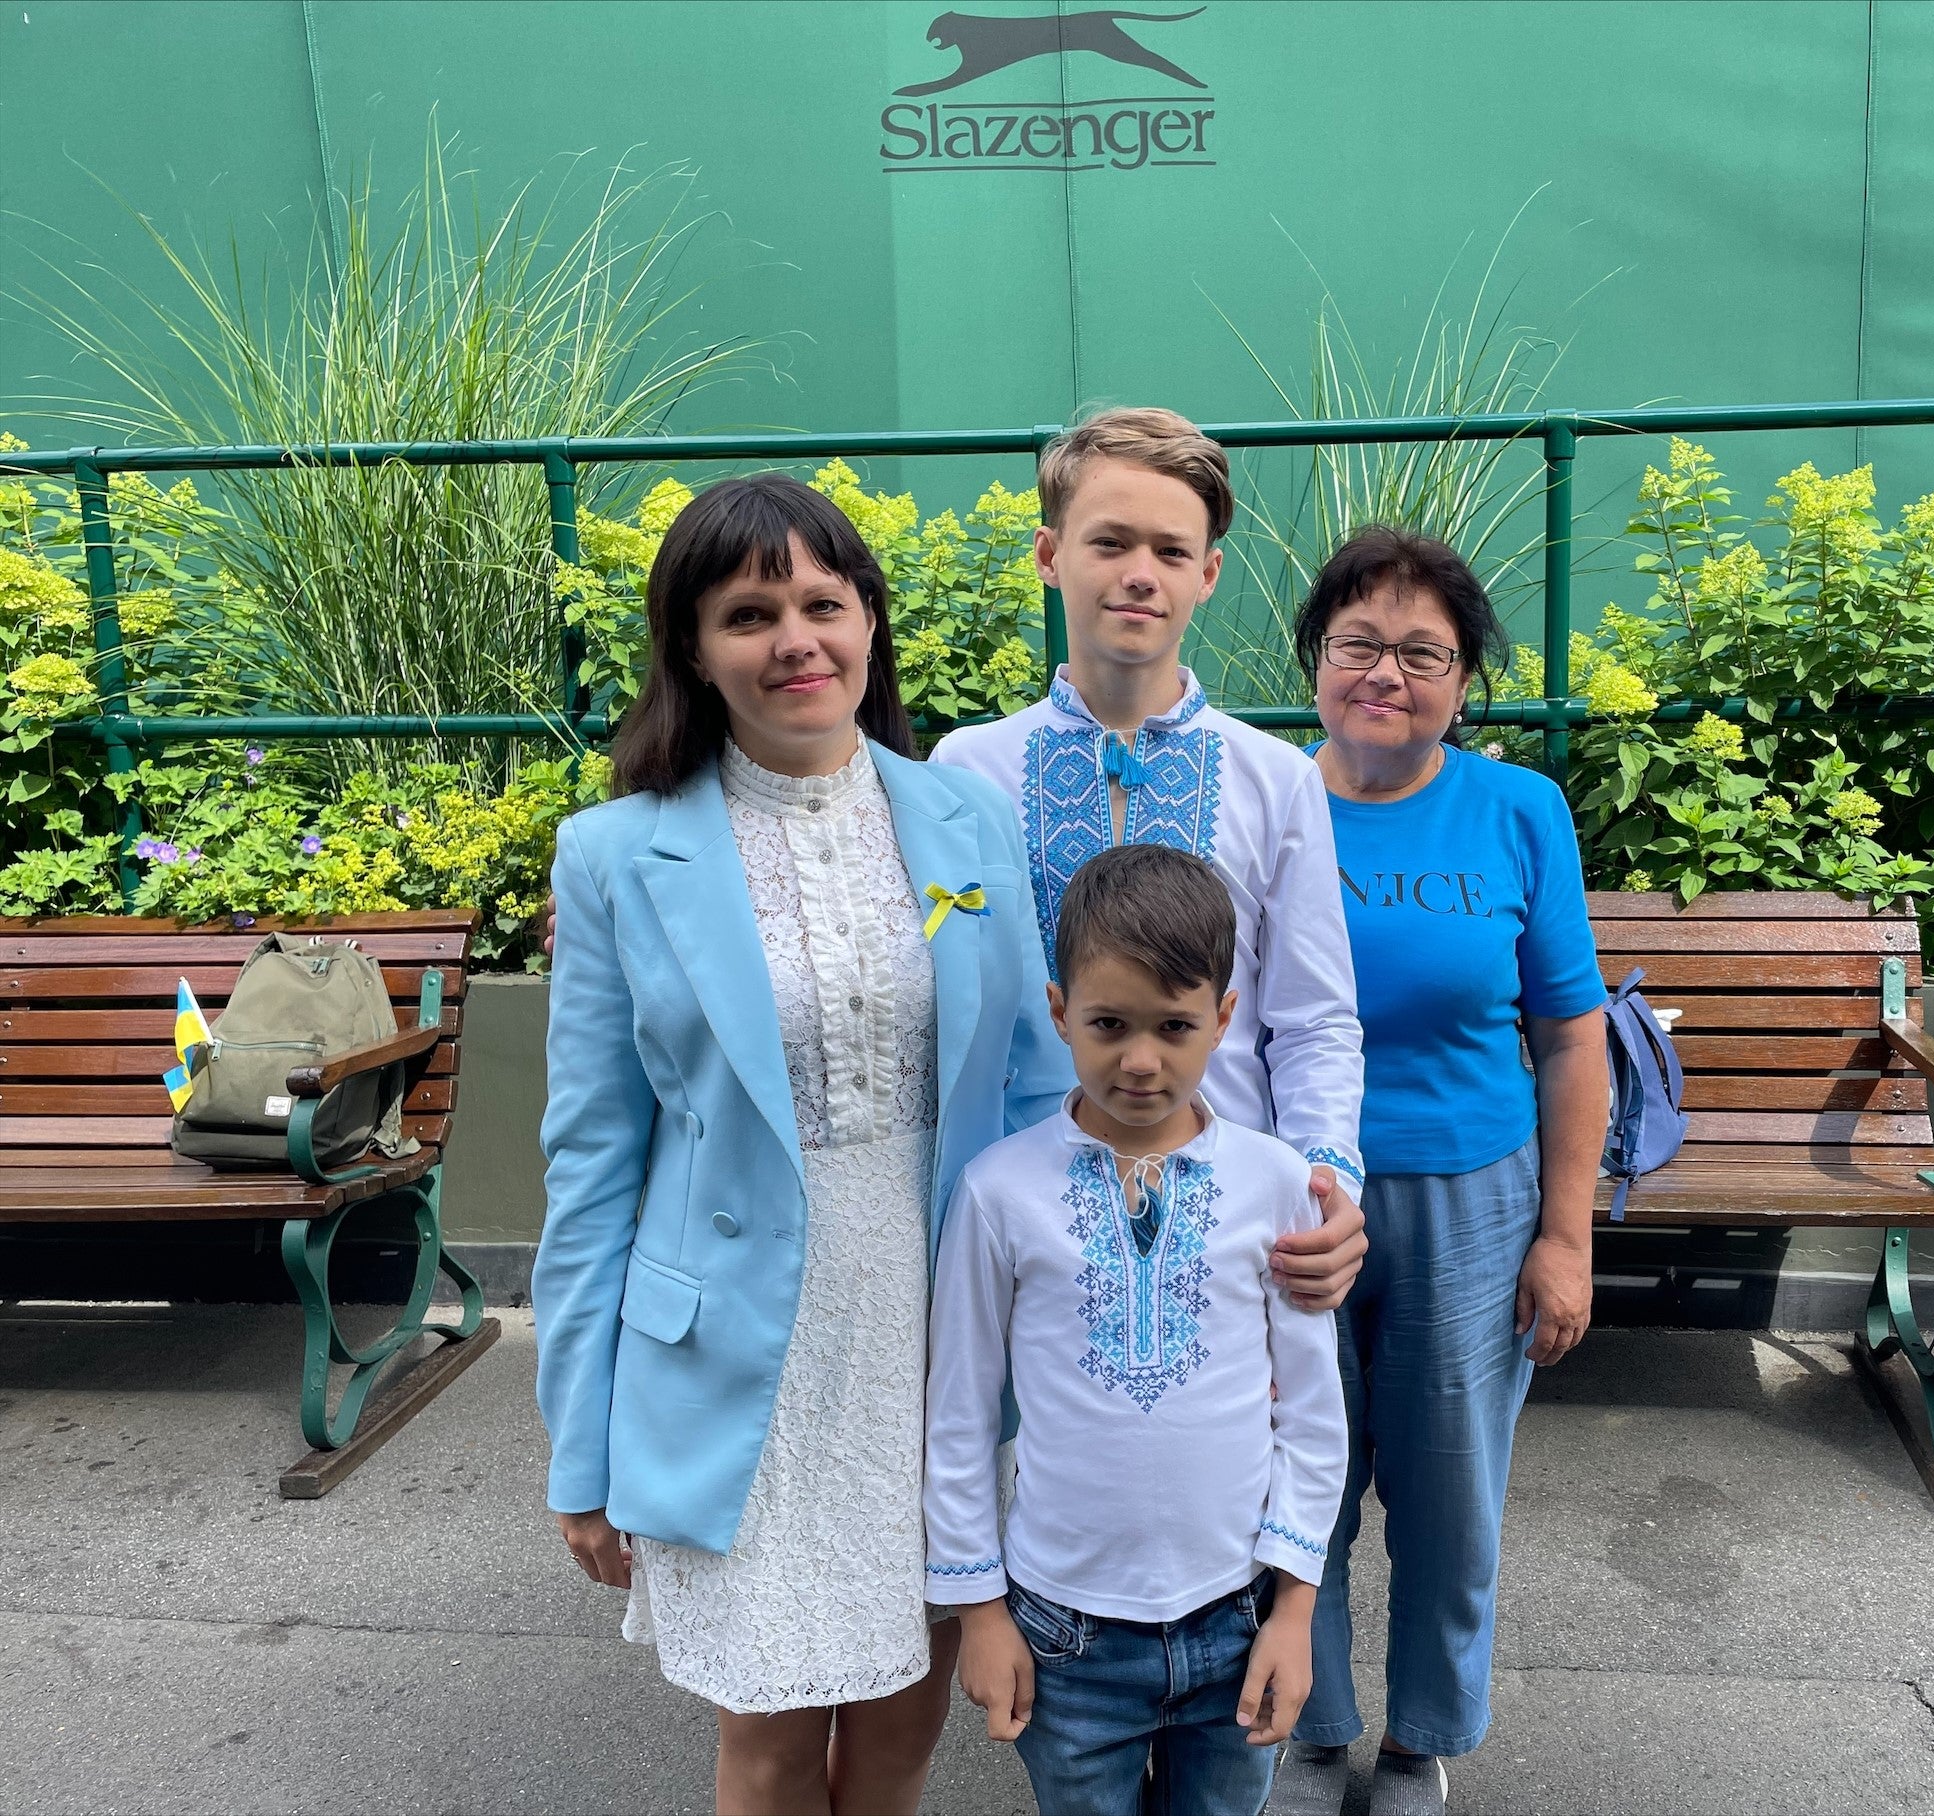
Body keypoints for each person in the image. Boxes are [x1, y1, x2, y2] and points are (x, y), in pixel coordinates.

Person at [533, 473, 1069, 1816]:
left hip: (936, 1337)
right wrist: (578, 1448)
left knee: (899, 1729)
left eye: (824, 604)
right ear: (693, 650)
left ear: (872, 625)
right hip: (735, 1360)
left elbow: (1031, 1086)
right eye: (748, 613)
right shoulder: (613, 857)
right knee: (771, 1737)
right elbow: (592, 1164)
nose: (795, 641)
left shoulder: (963, 821)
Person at [1268, 527, 1612, 1816]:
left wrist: (1563, 1235)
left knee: (1449, 1491)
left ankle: (1419, 1738)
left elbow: (1571, 1038)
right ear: (1315, 661)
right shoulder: (1262, 797)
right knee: (1296, 1472)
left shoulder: (1517, 810)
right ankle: (1309, 1725)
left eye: (1424, 651)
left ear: (1463, 679)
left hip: (1471, 1191)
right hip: (1297, 1192)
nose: (1386, 671)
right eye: (1358, 643)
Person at [923, 842, 1349, 1816]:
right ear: (1059, 1008)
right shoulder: (999, 1192)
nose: (1142, 1059)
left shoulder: (1276, 1181)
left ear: (1224, 1020)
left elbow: (1314, 1415)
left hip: (1238, 1627)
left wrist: (1294, 1611)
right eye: (1109, 1023)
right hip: (1061, 1639)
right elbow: (956, 1415)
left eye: (1174, 1025)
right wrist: (978, 1612)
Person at [928, 406, 1369, 1311]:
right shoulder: (965, 769)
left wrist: (1327, 1186)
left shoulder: (1275, 778)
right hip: (1022, 1222)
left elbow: (1315, 1018)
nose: (1139, 576)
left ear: (1207, 575)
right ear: (1050, 556)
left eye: (1171, 552)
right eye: (1110, 543)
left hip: (1233, 1219)